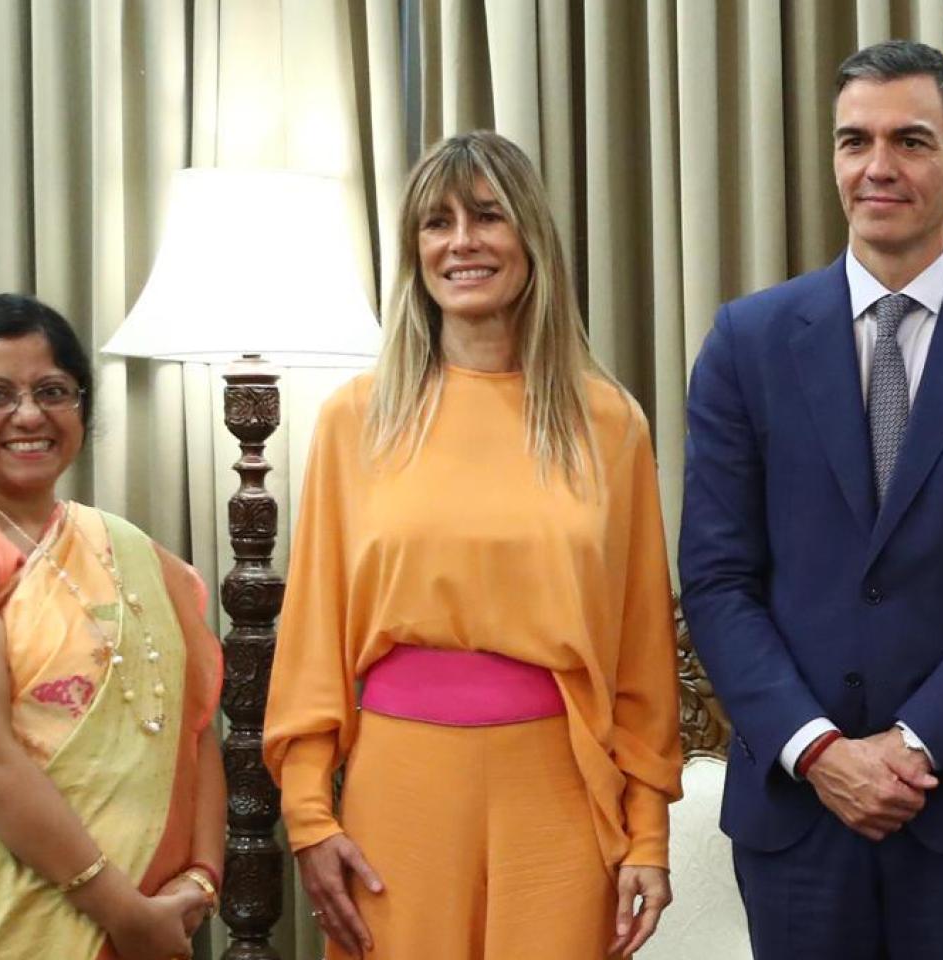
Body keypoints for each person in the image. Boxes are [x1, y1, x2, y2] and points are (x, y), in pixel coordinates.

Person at [677, 39, 943, 960]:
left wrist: (915, 745)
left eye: (910, 141)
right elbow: (716, 578)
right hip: (799, 813)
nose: (878, 167)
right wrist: (822, 751)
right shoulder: (746, 342)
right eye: (854, 142)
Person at [262, 130, 682, 960]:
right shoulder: (358, 417)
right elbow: (312, 637)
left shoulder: (609, 422)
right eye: (436, 223)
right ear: (415, 250)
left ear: (530, 236)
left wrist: (647, 835)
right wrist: (310, 814)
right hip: (400, 787)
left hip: (558, 790)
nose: (461, 242)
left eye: (487, 217)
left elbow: (641, 651)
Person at [0, 293, 226, 959]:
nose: (29, 414)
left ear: (82, 407)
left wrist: (200, 881)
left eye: (53, 390)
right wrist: (123, 912)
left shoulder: (129, 552)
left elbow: (193, 727)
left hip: (148, 912)